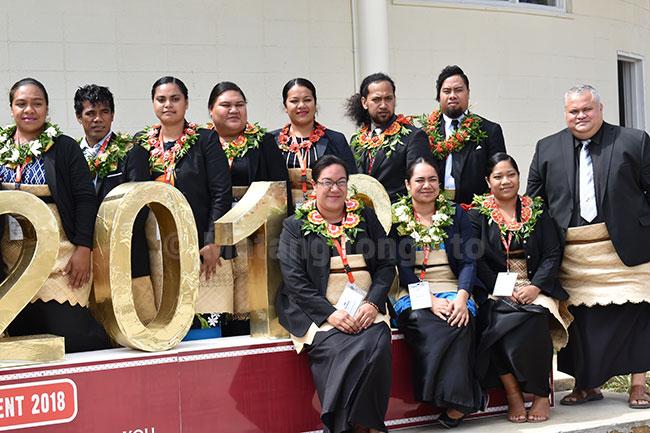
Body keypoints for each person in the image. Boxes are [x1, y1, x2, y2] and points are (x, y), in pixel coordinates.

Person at [527, 84, 650, 409]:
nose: (580, 116)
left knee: (636, 312)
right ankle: (585, 385)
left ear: (600, 109)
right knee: (579, 319)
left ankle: (638, 385)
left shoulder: (633, 141)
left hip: (626, 249)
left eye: (586, 109)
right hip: (573, 251)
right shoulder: (547, 148)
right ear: (565, 113)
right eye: (573, 111)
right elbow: (533, 201)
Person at [276, 155, 395, 433]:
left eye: (341, 182)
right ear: (314, 187)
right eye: (327, 182)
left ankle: (363, 426)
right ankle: (355, 425)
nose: (334, 189)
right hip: (319, 309)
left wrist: (373, 303)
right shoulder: (294, 226)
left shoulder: (364, 216)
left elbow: (387, 264)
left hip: (365, 305)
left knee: (376, 345)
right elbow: (294, 280)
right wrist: (331, 314)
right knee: (341, 348)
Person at [1, 78, 110, 352]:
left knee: (70, 331)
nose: (29, 110)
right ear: (11, 108)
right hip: (11, 256)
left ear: (46, 108)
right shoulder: (1, 147)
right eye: (21, 104)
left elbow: (85, 199)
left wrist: (83, 248)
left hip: (60, 253)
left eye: (37, 104)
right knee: (24, 327)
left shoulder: (63, 147)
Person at [470, 153, 570, 423]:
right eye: (498, 177)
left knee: (536, 319)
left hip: (534, 286)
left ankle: (539, 394)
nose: (506, 181)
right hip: (497, 288)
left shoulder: (537, 210)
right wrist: (500, 288)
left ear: (518, 176)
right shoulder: (477, 215)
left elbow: (551, 254)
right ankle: (513, 393)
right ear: (488, 181)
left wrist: (536, 287)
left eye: (511, 175)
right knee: (493, 320)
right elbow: (476, 259)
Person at [390, 156, 483, 428]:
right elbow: (402, 267)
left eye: (432, 180)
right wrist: (429, 300)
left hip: (453, 285)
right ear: (408, 185)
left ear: (440, 184)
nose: (426, 185)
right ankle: (457, 399)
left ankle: (456, 402)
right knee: (423, 320)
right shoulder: (397, 217)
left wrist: (463, 297)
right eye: (419, 180)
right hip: (413, 287)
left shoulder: (456, 214)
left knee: (460, 320)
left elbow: (468, 260)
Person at [136, 76, 233, 321]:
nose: (168, 105)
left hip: (198, 239)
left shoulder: (205, 140)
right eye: (161, 99)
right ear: (153, 104)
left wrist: (214, 240)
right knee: (164, 313)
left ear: (186, 103)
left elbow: (221, 192)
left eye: (175, 99)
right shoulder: (142, 142)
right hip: (156, 242)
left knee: (201, 314)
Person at [207, 80, 289, 335]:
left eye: (239, 105)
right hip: (215, 233)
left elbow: (279, 189)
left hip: (254, 235)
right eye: (226, 105)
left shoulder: (262, 141)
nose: (234, 110)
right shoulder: (202, 142)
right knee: (215, 301)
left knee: (249, 302)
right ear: (211, 110)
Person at [74, 84, 156, 324]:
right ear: (79, 117)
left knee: (138, 322)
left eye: (104, 111)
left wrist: (113, 243)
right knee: (95, 325)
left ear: (113, 114)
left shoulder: (132, 152)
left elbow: (139, 205)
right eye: (90, 113)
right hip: (84, 254)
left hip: (127, 253)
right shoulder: (71, 155)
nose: (98, 119)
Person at [418, 65, 505, 205]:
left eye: (458, 90)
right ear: (439, 96)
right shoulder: (424, 133)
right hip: (434, 210)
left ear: (468, 93)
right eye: (447, 91)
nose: (453, 95)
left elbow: (500, 175)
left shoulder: (490, 131)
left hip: (476, 211)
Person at [346, 72, 430, 202]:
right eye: (377, 99)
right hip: (362, 216)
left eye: (388, 98)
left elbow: (419, 182)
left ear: (395, 99)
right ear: (364, 102)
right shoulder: (356, 140)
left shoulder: (414, 137)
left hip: (397, 216)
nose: (383, 105)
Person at [272, 78, 356, 205]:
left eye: (307, 100)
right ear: (285, 106)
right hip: (281, 213)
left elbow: (352, 181)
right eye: (294, 101)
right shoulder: (271, 141)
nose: (301, 105)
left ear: (315, 104)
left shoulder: (336, 139)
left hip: (326, 214)